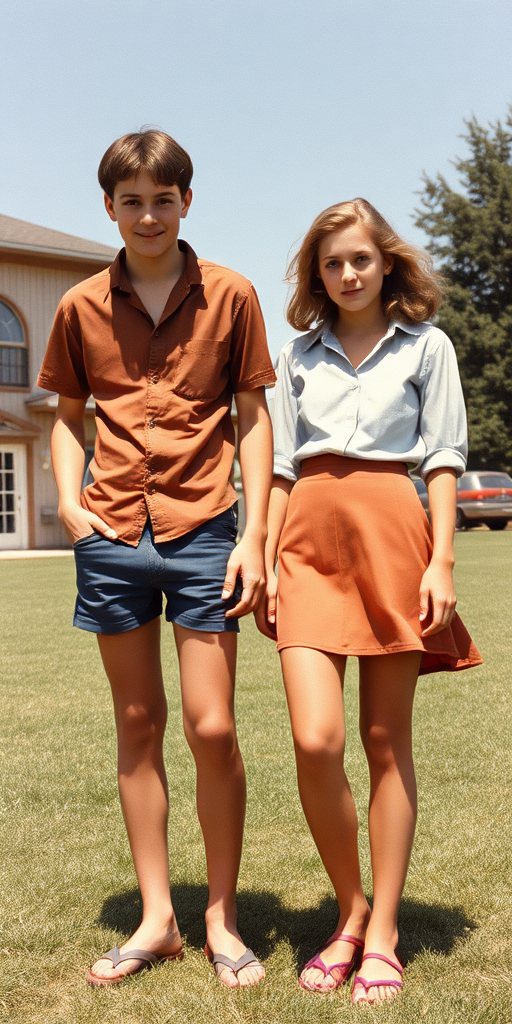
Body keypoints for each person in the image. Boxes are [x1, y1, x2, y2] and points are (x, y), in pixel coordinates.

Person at [38, 129, 276, 989]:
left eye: (163, 198)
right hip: (112, 536)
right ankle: (157, 919)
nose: (148, 214)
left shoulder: (234, 296)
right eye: (131, 201)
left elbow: (251, 416)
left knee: (212, 726)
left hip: (207, 527)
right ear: (110, 207)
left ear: (186, 201)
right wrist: (71, 508)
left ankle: (222, 917)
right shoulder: (76, 306)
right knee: (137, 726)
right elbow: (68, 415)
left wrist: (253, 536)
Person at [256, 199, 482, 1004]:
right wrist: (266, 557)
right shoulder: (297, 356)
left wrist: (443, 560)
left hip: (395, 543)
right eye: (331, 263)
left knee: (386, 742)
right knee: (315, 740)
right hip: (306, 547)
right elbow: (278, 464)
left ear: (386, 262)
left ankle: (380, 930)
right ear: (315, 274)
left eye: (359, 258)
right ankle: (350, 908)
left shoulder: (429, 347)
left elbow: (447, 458)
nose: (347, 274)